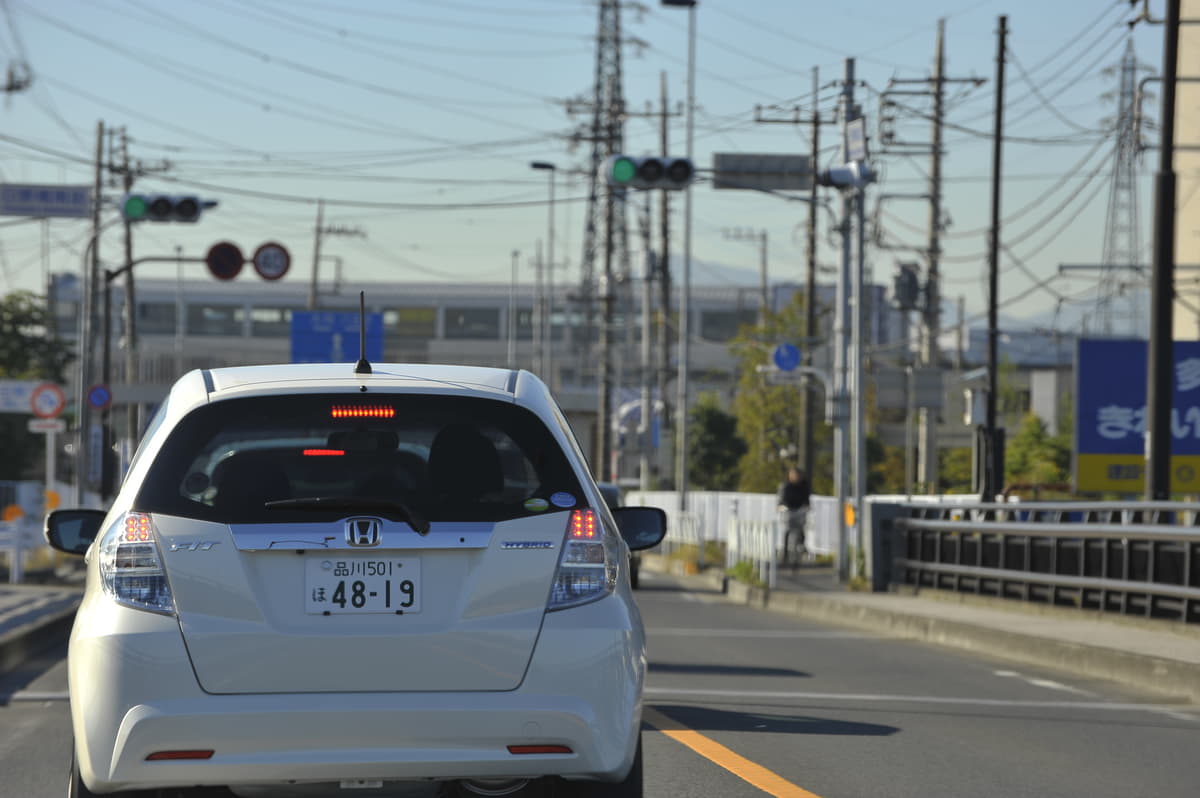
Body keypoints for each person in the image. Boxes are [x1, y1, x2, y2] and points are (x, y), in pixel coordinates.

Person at [777, 466, 811, 567]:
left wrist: (807, 506)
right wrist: (780, 506)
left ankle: (801, 546)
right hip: (789, 510)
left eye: (797, 475)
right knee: (787, 530)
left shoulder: (804, 485)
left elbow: (807, 499)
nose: (795, 477)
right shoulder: (785, 486)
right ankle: (785, 553)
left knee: (801, 529)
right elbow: (781, 499)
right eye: (793, 475)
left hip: (800, 510)